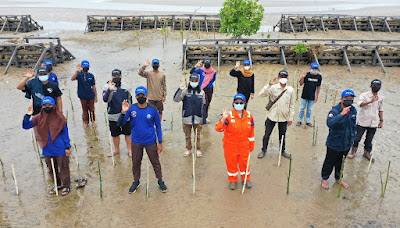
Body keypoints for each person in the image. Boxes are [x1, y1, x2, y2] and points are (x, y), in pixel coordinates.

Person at [118, 86, 167, 194]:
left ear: (146, 96)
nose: (141, 97)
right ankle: (136, 182)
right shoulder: (131, 109)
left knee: (155, 162)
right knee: (135, 163)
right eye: (139, 95)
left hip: (150, 141)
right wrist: (123, 112)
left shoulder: (153, 109)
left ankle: (160, 180)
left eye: (143, 95)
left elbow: (158, 126)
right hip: (136, 141)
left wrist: (160, 142)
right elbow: (120, 123)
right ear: (136, 96)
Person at [22, 97, 71, 196]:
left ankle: (66, 186)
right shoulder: (38, 118)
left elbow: (65, 133)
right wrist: (28, 115)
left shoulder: (60, 118)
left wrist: (67, 147)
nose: (47, 107)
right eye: (44, 105)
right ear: (41, 107)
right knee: (52, 169)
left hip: (60, 148)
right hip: (47, 149)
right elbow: (26, 126)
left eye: (49, 105)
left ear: (53, 106)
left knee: (64, 167)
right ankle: (57, 185)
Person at [215, 94, 254, 190]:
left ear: (244, 104)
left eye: (241, 103)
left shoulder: (249, 116)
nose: (239, 104)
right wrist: (223, 118)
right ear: (233, 104)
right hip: (230, 145)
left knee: (244, 162)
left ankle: (246, 178)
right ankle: (233, 180)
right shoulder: (228, 116)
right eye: (237, 103)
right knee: (231, 162)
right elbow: (218, 129)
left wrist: (251, 145)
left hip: (244, 144)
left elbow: (251, 132)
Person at [321, 89, 357, 189]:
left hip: (346, 143)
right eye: (347, 98)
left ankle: (338, 178)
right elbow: (330, 123)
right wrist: (341, 114)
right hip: (334, 142)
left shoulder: (353, 110)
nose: (349, 100)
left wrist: (352, 139)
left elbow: (353, 126)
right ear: (341, 99)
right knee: (329, 161)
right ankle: (324, 178)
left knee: (341, 162)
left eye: (351, 98)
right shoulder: (335, 111)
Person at [258, 70, 295, 159]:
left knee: (282, 136)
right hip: (272, 115)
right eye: (281, 77)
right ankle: (263, 150)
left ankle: (282, 151)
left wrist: (290, 118)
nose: (283, 79)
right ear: (278, 78)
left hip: (284, 117)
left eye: (285, 77)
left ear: (287, 78)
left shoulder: (290, 90)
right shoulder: (273, 88)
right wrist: (269, 84)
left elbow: (292, 105)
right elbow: (261, 94)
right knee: (267, 134)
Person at [348, 79, 383, 161]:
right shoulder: (364, 95)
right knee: (357, 138)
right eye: (375, 86)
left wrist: (381, 121)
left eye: (378, 86)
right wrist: (370, 101)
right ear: (370, 86)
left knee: (369, 139)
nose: (376, 87)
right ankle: (353, 151)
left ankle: (367, 152)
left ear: (380, 87)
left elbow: (381, 109)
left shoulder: (381, 97)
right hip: (362, 121)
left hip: (373, 122)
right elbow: (359, 104)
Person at [173, 73, 206, 157]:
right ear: (189, 81)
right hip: (187, 117)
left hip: (198, 118)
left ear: (198, 81)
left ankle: (197, 149)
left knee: (197, 135)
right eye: (192, 81)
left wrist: (204, 120)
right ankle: (188, 149)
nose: (193, 82)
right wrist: (180, 89)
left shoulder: (201, 92)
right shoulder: (185, 91)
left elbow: (204, 105)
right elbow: (176, 100)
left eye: (195, 81)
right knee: (187, 135)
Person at [102, 69, 132, 157]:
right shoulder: (106, 87)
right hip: (113, 115)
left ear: (121, 76)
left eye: (118, 76)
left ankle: (130, 150)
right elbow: (105, 100)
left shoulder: (126, 87)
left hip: (126, 114)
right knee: (115, 134)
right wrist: (110, 90)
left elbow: (130, 100)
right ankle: (116, 149)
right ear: (112, 77)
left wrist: (130, 112)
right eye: (114, 76)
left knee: (128, 133)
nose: (116, 77)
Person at [71, 60, 98, 128]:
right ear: (82, 67)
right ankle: (86, 122)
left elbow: (94, 86)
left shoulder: (91, 75)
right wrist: (77, 71)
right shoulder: (79, 74)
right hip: (82, 95)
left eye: (87, 67)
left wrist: (96, 96)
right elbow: (72, 79)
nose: (86, 68)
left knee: (92, 109)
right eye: (84, 67)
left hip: (91, 95)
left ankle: (93, 121)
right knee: (84, 110)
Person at [296, 62, 322, 127]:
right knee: (302, 108)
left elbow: (318, 87)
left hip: (312, 96)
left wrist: (317, 96)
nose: (314, 69)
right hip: (304, 95)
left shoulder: (319, 77)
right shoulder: (306, 75)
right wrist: (303, 77)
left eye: (316, 68)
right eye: (313, 68)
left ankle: (307, 121)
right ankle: (299, 120)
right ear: (310, 68)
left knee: (309, 109)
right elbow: (301, 84)